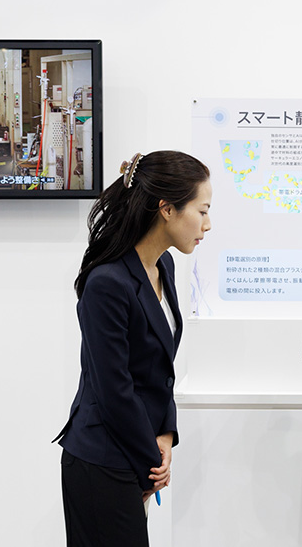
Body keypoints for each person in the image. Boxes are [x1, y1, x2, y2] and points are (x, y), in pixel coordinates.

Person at [53, 151, 212, 547]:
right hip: (103, 458)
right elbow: (114, 390)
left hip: (136, 449)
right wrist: (151, 461)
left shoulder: (163, 266)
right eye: (202, 211)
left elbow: (159, 370)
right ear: (167, 209)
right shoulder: (107, 282)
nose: (207, 225)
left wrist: (166, 433)